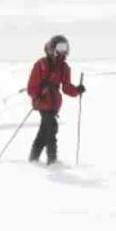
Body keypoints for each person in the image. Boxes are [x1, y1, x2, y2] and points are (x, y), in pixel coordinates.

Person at [27, 35, 85, 165]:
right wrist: (37, 97)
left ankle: (33, 158)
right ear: (53, 48)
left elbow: (66, 87)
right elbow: (31, 86)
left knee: (45, 130)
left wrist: (78, 90)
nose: (63, 50)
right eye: (60, 47)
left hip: (54, 104)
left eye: (65, 47)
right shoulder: (41, 64)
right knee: (52, 128)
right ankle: (52, 161)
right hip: (42, 103)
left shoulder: (65, 68)